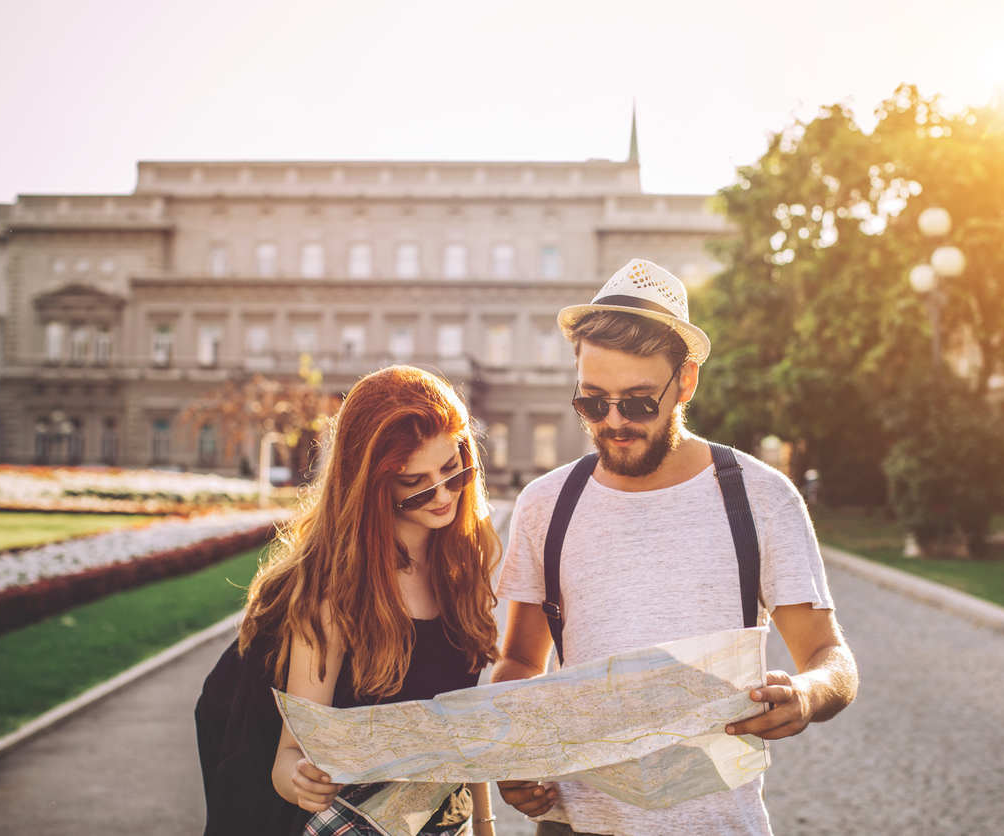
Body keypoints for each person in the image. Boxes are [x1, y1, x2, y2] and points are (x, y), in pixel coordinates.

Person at [491, 259, 859, 836]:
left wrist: (807, 695)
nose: (613, 422)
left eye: (638, 402)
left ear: (685, 382)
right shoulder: (545, 504)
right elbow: (519, 660)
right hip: (573, 827)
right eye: (592, 401)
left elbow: (831, 661)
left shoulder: (759, 497)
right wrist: (516, 754)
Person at [196, 365, 502, 836]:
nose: (444, 495)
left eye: (452, 470)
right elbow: (289, 756)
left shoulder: (460, 569)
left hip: (446, 823)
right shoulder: (334, 598)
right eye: (416, 483)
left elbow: (462, 727)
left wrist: (484, 823)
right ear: (374, 485)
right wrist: (299, 780)